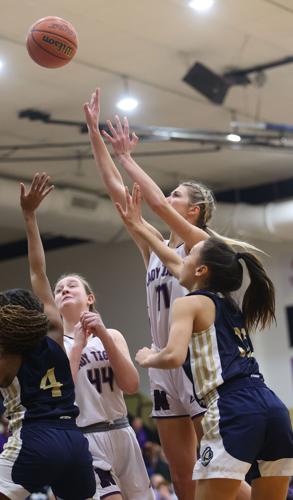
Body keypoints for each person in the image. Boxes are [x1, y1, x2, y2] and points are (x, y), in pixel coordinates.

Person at [84, 88, 252, 500]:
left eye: (177, 194)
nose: (168, 197)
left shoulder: (202, 246)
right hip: (163, 365)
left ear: (193, 212)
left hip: (196, 363)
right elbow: (120, 196)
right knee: (182, 477)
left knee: (219, 473)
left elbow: (153, 202)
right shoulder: (156, 248)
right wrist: (93, 134)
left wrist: (128, 157)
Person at [117, 190, 293, 500]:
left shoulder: (191, 302)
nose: (177, 261)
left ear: (200, 270)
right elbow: (165, 253)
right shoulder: (230, 303)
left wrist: (147, 357)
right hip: (271, 405)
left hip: (231, 406)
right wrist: (138, 225)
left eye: (186, 258)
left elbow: (172, 356)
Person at [20, 172, 155, 500]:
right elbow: (38, 272)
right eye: (59, 289)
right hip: (85, 436)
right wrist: (30, 217)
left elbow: (132, 385)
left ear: (90, 298)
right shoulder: (54, 340)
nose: (63, 289)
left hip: (123, 433)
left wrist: (103, 337)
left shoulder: (112, 335)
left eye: (72, 286)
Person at [0, 287, 96, 500]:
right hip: (74, 441)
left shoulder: (9, 356)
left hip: (35, 437)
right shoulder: (54, 335)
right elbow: (38, 274)